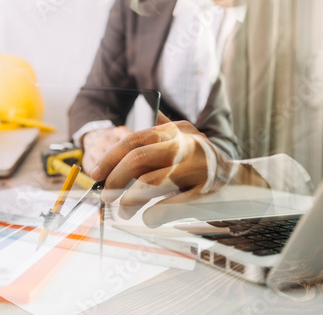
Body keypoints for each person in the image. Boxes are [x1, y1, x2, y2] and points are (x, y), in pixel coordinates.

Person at [69, 0, 313, 227]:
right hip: (165, 210)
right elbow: (95, 98)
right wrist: (97, 136)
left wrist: (247, 183)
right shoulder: (138, 5)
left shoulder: (299, 18)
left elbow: (309, 156)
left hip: (263, 214)